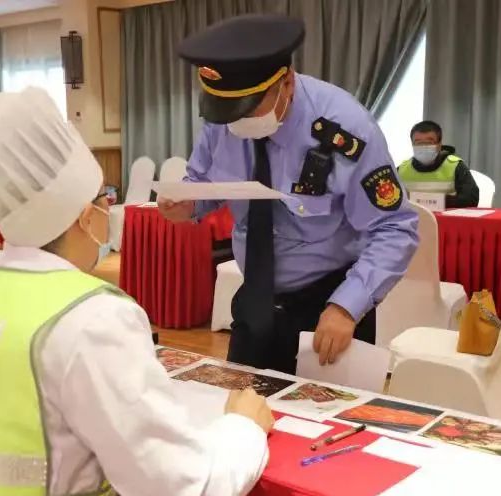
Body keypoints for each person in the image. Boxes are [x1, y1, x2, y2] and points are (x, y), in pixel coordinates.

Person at [0, 88, 273, 496]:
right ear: (85, 215)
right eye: (105, 197)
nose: (109, 208)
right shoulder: (90, 318)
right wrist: (244, 428)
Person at [158, 15, 419, 373]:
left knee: (326, 409)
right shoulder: (224, 120)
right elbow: (204, 180)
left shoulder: (346, 129)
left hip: (328, 305)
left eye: (249, 107)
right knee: (242, 403)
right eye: (230, 111)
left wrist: (347, 306)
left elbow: (395, 227)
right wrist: (188, 204)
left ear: (287, 82)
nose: (238, 122)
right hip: (256, 298)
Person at [397, 120, 480, 208]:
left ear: (439, 145)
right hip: (413, 217)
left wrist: (432, 200)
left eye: (429, 143)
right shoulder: (401, 170)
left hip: (447, 216)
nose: (423, 146)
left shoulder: (455, 166)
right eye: (418, 143)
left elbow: (471, 199)